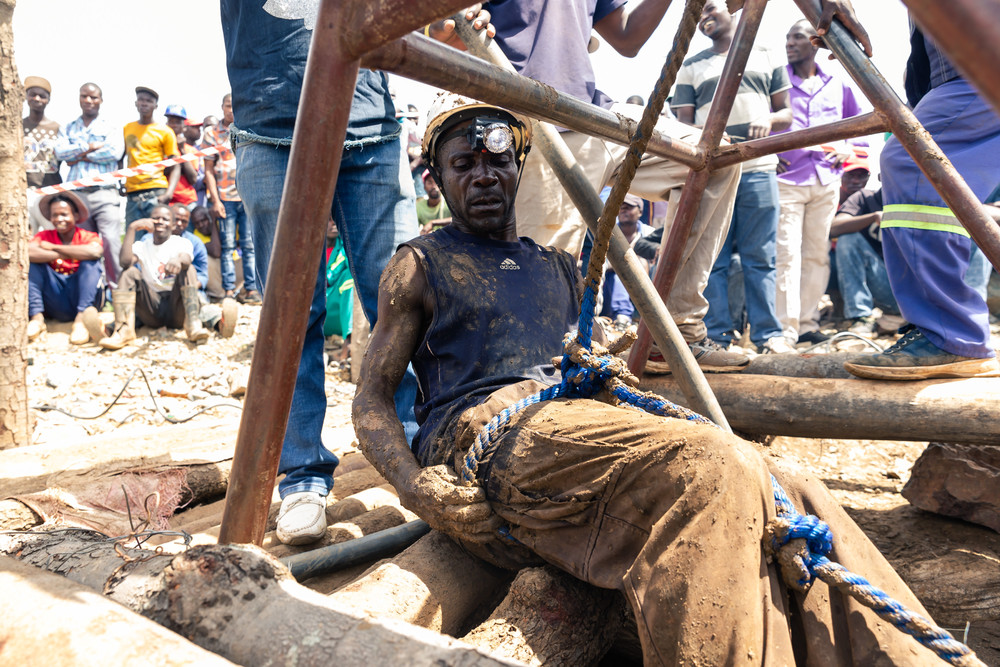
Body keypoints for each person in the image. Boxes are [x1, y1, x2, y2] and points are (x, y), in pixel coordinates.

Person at [354, 96, 944, 667]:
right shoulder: (420, 264)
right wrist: (415, 488)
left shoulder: (559, 267)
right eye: (463, 165)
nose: (483, 176)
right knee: (712, 469)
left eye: (497, 161)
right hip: (486, 437)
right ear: (435, 177)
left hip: (565, 427)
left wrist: (598, 360)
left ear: (518, 166)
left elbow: (573, 356)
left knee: (786, 481)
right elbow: (373, 399)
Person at [220, 0, 421, 544]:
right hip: (271, 129)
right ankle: (302, 476)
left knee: (402, 299)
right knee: (292, 316)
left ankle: (418, 447)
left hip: (370, 127)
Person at [458, 0, 747, 371]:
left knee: (714, 162)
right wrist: (458, 27)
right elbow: (444, 28)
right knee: (536, 313)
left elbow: (627, 38)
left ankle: (673, 330)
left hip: (594, 113)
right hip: (529, 119)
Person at [845, 23, 1000, 380]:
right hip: (964, 68)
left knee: (911, 165)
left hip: (977, 65)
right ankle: (951, 332)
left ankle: (951, 335)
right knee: (936, 182)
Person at [672, 0, 794, 355]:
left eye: (710, 8)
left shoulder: (767, 53)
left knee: (762, 256)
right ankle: (719, 336)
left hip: (758, 169)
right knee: (713, 257)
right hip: (715, 171)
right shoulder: (690, 67)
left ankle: (768, 335)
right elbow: (681, 125)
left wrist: (769, 121)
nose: (704, 18)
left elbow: (786, 112)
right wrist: (712, 135)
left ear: (732, 8)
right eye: (698, 15)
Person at [775, 19, 863, 346]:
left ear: (815, 41)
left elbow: (860, 131)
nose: (789, 42)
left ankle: (807, 324)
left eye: (797, 36)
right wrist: (769, 155)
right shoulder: (777, 81)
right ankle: (784, 328)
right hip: (787, 178)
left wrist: (847, 149)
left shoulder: (839, 85)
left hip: (826, 180)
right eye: (787, 37)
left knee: (817, 255)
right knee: (786, 254)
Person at [98, 204, 210, 350]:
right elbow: (125, 263)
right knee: (129, 273)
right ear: (149, 222)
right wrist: (132, 228)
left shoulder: (182, 243)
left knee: (188, 269)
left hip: (177, 308)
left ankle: (193, 325)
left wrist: (178, 261)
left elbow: (186, 258)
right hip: (151, 308)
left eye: (165, 219)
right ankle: (123, 330)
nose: (160, 222)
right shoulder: (142, 245)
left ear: (173, 224)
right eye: (156, 218)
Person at [54, 82, 125, 283]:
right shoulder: (67, 127)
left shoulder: (111, 127)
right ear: (79, 98)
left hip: (105, 192)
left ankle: (118, 292)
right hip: (78, 195)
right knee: (84, 244)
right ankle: (91, 293)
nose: (89, 100)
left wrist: (77, 154)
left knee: (111, 242)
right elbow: (60, 152)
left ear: (101, 100)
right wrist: (89, 147)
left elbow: (113, 152)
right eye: (84, 96)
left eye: (93, 97)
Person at [203, 93, 260, 305]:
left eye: (234, 106)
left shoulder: (247, 127)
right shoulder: (211, 133)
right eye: (228, 106)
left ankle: (251, 289)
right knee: (227, 246)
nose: (231, 110)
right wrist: (215, 201)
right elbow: (208, 170)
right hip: (225, 197)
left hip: (246, 194)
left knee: (249, 244)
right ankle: (228, 291)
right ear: (222, 107)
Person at [27, 192, 104, 345]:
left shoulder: (88, 236)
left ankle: (81, 321)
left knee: (91, 263)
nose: (59, 219)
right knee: (33, 264)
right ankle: (37, 318)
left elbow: (95, 252)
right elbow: (28, 252)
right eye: (55, 215)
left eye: (64, 214)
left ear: (75, 215)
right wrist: (67, 253)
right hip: (54, 297)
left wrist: (53, 248)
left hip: (81, 296)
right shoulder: (43, 236)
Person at [830, 186, 904, 336]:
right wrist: (873, 216)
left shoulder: (911, 203)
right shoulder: (864, 197)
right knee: (847, 239)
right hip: (874, 278)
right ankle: (860, 317)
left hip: (902, 293)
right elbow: (834, 228)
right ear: (880, 176)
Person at [171, 204, 238, 338]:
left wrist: (189, 287)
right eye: (176, 219)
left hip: (187, 291)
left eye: (184, 221)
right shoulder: (150, 240)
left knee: (198, 303)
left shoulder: (193, 242)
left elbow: (202, 275)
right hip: (160, 295)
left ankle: (220, 323)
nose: (179, 224)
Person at [122, 87, 181, 224]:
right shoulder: (127, 128)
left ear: (156, 106)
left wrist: (169, 193)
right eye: (141, 100)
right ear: (136, 103)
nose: (144, 103)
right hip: (132, 193)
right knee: (134, 239)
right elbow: (121, 157)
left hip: (156, 191)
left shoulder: (165, 131)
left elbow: (175, 164)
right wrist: (121, 182)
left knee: (158, 237)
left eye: (149, 101)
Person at [601, 193, 653, 330]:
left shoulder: (650, 233)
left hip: (645, 291)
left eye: (629, 207)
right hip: (609, 287)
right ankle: (622, 317)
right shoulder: (606, 232)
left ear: (640, 211)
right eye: (620, 207)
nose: (623, 210)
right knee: (619, 272)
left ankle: (626, 317)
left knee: (636, 264)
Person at [23, 76, 61, 235]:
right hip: (24, 190)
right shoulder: (18, 125)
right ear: (26, 97)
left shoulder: (57, 128)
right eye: (32, 94)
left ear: (48, 100)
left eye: (42, 96)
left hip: (50, 191)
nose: (37, 99)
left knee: (53, 234)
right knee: (26, 236)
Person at [163, 105, 200, 210]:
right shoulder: (160, 148)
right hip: (165, 200)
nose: (174, 125)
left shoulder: (191, 150)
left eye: (177, 122)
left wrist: (182, 150)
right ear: (166, 124)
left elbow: (193, 179)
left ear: (184, 126)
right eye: (171, 121)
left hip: (187, 202)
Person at [416, 170, 451, 234]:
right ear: (424, 186)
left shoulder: (450, 201)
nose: (434, 186)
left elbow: (458, 220)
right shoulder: (419, 206)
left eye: (436, 182)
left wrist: (433, 222)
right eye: (430, 183)